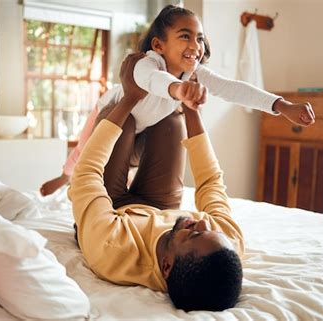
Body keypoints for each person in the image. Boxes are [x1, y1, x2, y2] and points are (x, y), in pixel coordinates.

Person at [41, 4, 315, 196]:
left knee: (164, 134)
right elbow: (152, 81)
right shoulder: (146, 63)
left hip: (144, 132)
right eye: (185, 37)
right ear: (159, 45)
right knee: (85, 151)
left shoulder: (193, 73)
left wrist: (282, 106)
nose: (195, 46)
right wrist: (178, 91)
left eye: (199, 39)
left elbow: (232, 88)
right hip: (111, 116)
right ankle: (65, 178)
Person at [69, 52, 244, 312]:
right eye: (211, 229)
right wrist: (191, 109)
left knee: (119, 117)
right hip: (161, 207)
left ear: (166, 266)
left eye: (194, 232)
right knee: (172, 120)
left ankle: (128, 124)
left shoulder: (112, 249)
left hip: (111, 210)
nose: (204, 221)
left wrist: (130, 97)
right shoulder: (224, 244)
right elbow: (210, 182)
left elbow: (85, 174)